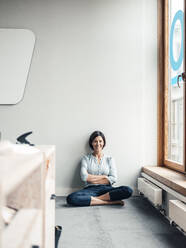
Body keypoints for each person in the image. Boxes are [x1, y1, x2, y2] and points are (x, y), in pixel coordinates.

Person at [66, 131, 133, 207]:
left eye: (100, 141)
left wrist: (91, 178)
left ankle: (95, 200)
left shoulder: (110, 159)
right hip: (90, 189)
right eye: (95, 141)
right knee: (71, 198)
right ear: (91, 143)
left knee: (128, 190)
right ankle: (108, 202)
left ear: (103, 143)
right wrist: (104, 177)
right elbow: (84, 177)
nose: (98, 144)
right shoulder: (86, 158)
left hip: (107, 190)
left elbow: (113, 178)